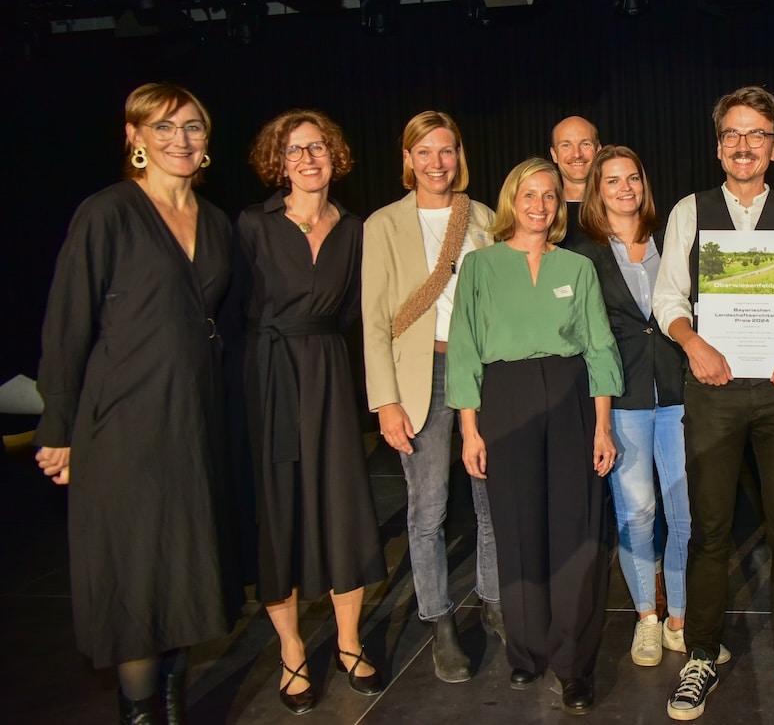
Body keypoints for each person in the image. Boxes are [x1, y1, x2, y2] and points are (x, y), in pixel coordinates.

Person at [34, 83, 241, 723]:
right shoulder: (110, 212)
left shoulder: (217, 221)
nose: (181, 139)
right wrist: (58, 429)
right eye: (165, 127)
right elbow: (67, 327)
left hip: (192, 423)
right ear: (136, 137)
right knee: (136, 579)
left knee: (183, 571)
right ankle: (140, 714)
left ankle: (172, 708)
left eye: (193, 127)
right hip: (123, 424)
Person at [653, 85, 774, 720]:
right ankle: (702, 653)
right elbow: (669, 297)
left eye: (757, 134)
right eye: (732, 134)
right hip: (714, 388)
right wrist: (691, 343)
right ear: (717, 145)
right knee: (709, 529)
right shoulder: (690, 211)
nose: (743, 145)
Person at [447, 157, 623, 715]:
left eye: (550, 196)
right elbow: (466, 350)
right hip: (505, 399)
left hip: (571, 396)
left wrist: (602, 426)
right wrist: (470, 430)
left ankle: (574, 667)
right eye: (529, 194)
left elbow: (599, 348)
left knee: (575, 533)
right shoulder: (479, 267)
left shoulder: (577, 267)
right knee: (517, 529)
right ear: (511, 201)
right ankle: (526, 652)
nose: (540, 205)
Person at [237, 109, 385, 713]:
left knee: (343, 505)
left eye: (318, 147)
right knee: (282, 514)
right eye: (295, 150)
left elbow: (360, 311)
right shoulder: (251, 224)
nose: (307, 158)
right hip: (270, 376)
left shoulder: (354, 229)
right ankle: (292, 649)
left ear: (335, 156)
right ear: (278, 160)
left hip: (328, 371)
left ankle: (349, 642)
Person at [362, 111, 503, 684]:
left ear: (459, 155)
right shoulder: (383, 224)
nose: (437, 163)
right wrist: (384, 400)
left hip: (481, 372)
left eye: (446, 151)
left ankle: (493, 601)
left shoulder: (485, 217)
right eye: (425, 152)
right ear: (408, 159)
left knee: (492, 498)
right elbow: (374, 319)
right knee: (428, 509)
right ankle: (439, 621)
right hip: (419, 376)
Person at [569, 145, 694, 668]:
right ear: (597, 191)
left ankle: (681, 618)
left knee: (687, 515)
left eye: (633, 178)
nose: (625, 189)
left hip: (682, 395)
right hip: (622, 399)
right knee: (638, 512)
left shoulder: (673, 240)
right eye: (612, 180)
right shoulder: (582, 254)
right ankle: (646, 617)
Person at [550, 114, 599, 241]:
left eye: (585, 144)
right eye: (566, 145)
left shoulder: (618, 206)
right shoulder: (544, 211)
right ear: (554, 154)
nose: (577, 154)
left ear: (598, 151)